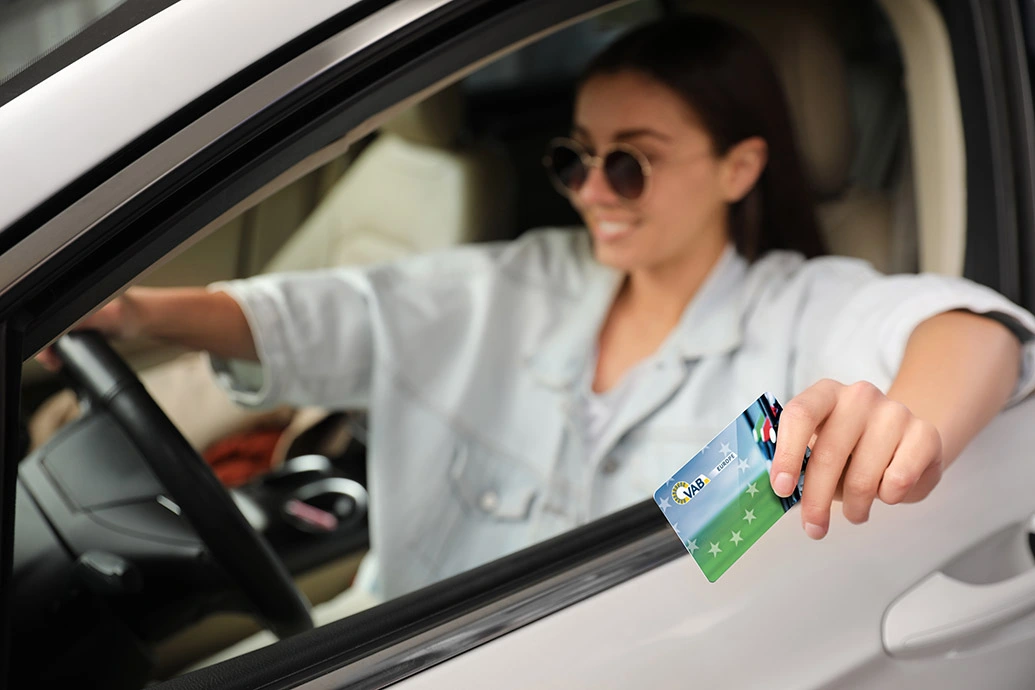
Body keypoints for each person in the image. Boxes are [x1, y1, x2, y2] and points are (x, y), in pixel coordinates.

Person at [38, 15, 1035, 611]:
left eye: (630, 160)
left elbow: (966, 331)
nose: (592, 189)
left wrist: (907, 424)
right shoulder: (521, 285)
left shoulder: (800, 309)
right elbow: (339, 315)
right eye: (574, 158)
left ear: (741, 167)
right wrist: (134, 312)